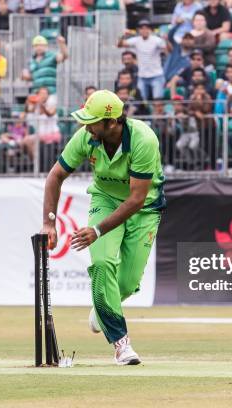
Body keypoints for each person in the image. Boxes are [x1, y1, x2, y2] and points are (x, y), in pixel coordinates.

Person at [41, 89, 164, 365]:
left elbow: (136, 199)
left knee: (128, 283)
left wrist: (96, 230)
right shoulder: (87, 137)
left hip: (143, 209)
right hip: (105, 201)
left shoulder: (144, 140)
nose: (86, 126)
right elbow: (55, 176)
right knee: (102, 265)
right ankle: (121, 345)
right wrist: (49, 222)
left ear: (112, 122)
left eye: (92, 121)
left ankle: (102, 306)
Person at [118, 19, 167, 100]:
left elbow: (167, 50)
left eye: (146, 28)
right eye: (142, 28)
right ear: (139, 30)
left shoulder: (156, 40)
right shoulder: (136, 40)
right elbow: (120, 45)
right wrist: (123, 35)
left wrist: (166, 40)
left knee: (158, 100)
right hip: (142, 76)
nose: (144, 30)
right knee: (142, 101)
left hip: (156, 75)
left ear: (150, 30)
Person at [21, 87, 61, 160]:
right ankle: (35, 162)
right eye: (41, 93)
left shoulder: (52, 105)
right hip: (41, 135)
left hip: (52, 134)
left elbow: (50, 113)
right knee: (23, 143)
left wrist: (42, 105)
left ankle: (36, 164)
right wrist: (27, 103)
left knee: (27, 140)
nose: (43, 95)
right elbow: (28, 110)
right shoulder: (36, 106)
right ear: (38, 95)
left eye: (45, 93)